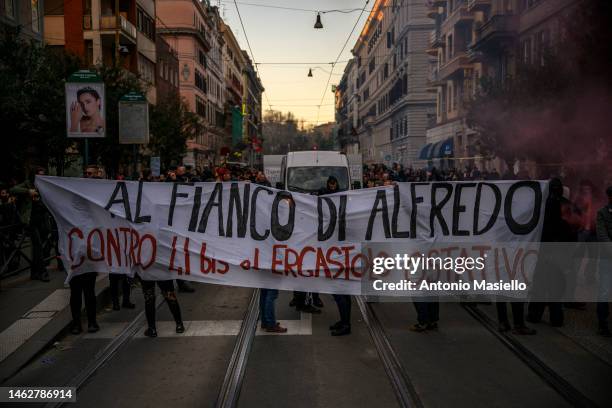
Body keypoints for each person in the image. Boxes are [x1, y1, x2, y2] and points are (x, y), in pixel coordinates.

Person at [254, 172, 287, 333]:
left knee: (265, 291)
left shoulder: (258, 216)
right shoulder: (273, 217)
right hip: (271, 259)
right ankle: (270, 323)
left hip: (261, 258)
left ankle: (266, 321)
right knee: (271, 293)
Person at [69, 166, 100, 334]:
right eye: (86, 173)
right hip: (74, 252)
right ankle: (76, 323)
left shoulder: (99, 196)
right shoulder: (75, 195)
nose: (87, 176)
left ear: (97, 176)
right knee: (75, 291)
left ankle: (92, 322)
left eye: (90, 174)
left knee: (89, 290)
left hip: (90, 253)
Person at [319, 176, 351, 336]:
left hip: (341, 260)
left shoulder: (342, 225)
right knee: (343, 294)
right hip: (339, 258)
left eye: (334, 184)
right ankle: (344, 321)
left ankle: (346, 324)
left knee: (340, 294)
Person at [10, 168, 51, 282]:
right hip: (31, 220)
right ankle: (42, 272)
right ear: (34, 176)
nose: (41, 178)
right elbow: (13, 189)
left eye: (43, 175)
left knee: (39, 248)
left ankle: (34, 273)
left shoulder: (44, 186)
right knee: (38, 246)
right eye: (39, 176)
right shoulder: (28, 184)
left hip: (42, 220)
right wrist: (28, 192)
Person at [596, 186, 612, 337]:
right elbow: (602, 236)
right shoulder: (603, 213)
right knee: (604, 291)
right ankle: (602, 323)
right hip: (608, 258)